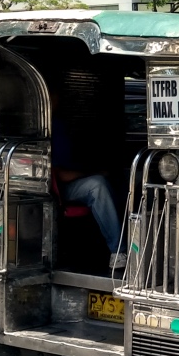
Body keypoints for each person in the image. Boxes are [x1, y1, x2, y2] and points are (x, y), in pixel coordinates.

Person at [51, 95, 125, 270]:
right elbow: (61, 174)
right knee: (97, 185)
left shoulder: (61, 125)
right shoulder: (48, 127)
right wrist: (94, 172)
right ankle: (118, 251)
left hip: (75, 178)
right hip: (59, 188)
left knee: (121, 180)